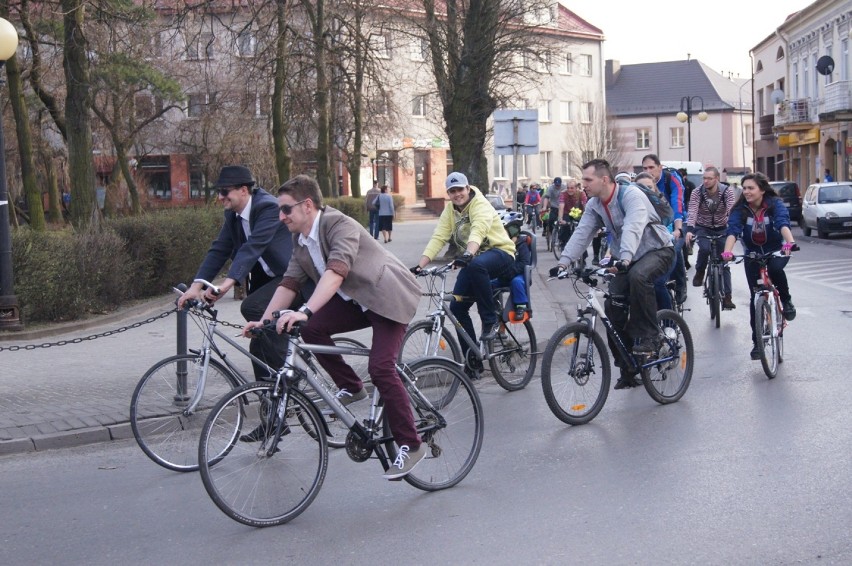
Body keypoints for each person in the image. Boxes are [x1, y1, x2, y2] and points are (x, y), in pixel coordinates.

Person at [243, 174, 426, 479]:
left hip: (388, 297)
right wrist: (264, 321)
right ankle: (351, 387)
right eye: (279, 210)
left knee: (381, 368)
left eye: (286, 209)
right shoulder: (300, 239)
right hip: (357, 301)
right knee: (311, 329)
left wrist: (304, 310)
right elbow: (289, 282)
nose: (281, 216)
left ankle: (412, 444)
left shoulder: (339, 225)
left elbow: (336, 272)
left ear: (307, 205)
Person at [553, 159, 674, 390]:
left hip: (657, 250)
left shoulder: (630, 196)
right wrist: (563, 263)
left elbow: (633, 226)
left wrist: (625, 257)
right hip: (624, 260)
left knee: (639, 276)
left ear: (604, 180)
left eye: (588, 180)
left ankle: (649, 336)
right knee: (612, 309)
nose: (584, 185)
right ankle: (628, 368)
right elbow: (583, 232)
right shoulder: (595, 204)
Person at [178, 165, 295, 380]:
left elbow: (252, 247)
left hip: (292, 278)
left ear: (243, 190)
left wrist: (227, 284)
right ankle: (268, 398)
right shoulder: (233, 215)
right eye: (218, 192)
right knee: (258, 344)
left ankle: (289, 378)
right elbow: (219, 249)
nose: (220, 197)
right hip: (268, 281)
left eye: (225, 192)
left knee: (253, 307)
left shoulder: (268, 207)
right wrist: (196, 287)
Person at [412, 172, 516, 378]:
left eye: (460, 189)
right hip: (474, 261)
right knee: (457, 308)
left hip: (501, 253)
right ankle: (473, 360)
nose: (457, 194)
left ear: (468, 188)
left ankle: (490, 321)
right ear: (448, 194)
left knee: (476, 265)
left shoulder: (480, 205)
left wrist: (468, 253)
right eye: (452, 191)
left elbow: (478, 229)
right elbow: (439, 237)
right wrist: (419, 265)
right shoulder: (450, 211)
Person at [721, 172, 797, 361]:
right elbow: (733, 230)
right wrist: (727, 252)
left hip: (776, 250)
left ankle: (786, 300)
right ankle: (757, 343)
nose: (746, 191)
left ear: (762, 190)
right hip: (752, 254)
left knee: (775, 270)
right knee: (756, 297)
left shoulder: (774, 204)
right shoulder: (741, 209)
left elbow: (782, 223)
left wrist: (789, 243)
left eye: (751, 188)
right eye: (744, 188)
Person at [685, 166, 736, 310]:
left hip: (722, 227)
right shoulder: (697, 192)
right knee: (705, 248)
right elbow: (693, 210)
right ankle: (700, 272)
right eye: (704, 178)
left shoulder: (726, 191)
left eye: (709, 178)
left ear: (717, 179)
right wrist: (690, 229)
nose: (706, 181)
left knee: (724, 261)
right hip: (703, 227)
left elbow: (732, 211)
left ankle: (727, 297)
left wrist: (733, 229)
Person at [642, 154, 688, 304]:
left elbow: (677, 203)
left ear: (660, 167)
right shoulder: (642, 182)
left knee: (674, 247)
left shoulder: (671, 179)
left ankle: (681, 285)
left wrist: (678, 229)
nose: (648, 171)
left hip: (678, 221)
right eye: (644, 168)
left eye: (651, 167)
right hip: (657, 225)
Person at [632, 172, 677, 311]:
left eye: (649, 187)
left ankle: (669, 324)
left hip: (661, 252)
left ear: (655, 189)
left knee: (657, 284)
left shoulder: (662, 206)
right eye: (641, 188)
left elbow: (667, 232)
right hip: (640, 255)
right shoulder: (631, 205)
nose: (645, 191)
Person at [495, 212, 532, 319]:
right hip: (503, 276)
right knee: (487, 283)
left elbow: (525, 263)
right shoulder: (500, 246)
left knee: (517, 282)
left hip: (518, 275)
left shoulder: (522, 244)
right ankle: (494, 305)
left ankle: (521, 307)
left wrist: (511, 272)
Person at [556, 178, 588, 248]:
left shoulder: (581, 193)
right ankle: (563, 244)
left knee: (581, 232)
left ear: (576, 188)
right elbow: (561, 206)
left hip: (578, 213)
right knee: (565, 228)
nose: (569, 190)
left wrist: (587, 218)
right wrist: (560, 219)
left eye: (572, 188)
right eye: (568, 188)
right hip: (567, 213)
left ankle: (583, 255)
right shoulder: (563, 193)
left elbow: (585, 206)